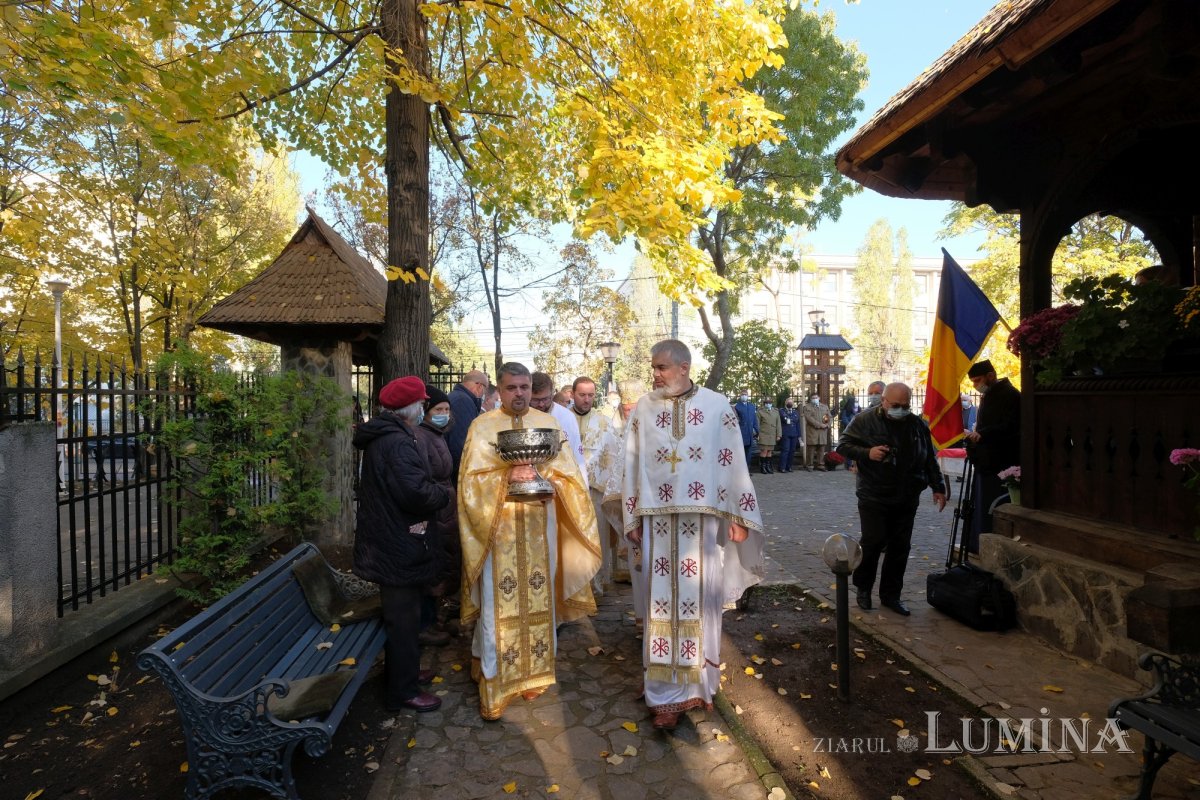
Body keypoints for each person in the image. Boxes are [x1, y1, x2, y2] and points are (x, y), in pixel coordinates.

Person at [621, 340, 764, 730]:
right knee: (659, 603)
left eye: (663, 367)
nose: (656, 374)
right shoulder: (644, 409)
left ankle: (698, 684)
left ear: (684, 367)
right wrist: (632, 515)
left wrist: (738, 514)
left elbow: (733, 461)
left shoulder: (718, 406)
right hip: (657, 522)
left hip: (701, 525)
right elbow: (630, 461)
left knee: (700, 600)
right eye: (654, 367)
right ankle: (661, 691)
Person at [458, 363, 601, 721]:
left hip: (540, 522)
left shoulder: (549, 423)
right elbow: (469, 484)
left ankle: (533, 673)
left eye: (524, 387)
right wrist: (507, 474)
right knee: (498, 606)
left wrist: (542, 475)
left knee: (539, 601)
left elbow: (570, 475)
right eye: (511, 388)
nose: (519, 394)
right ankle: (495, 684)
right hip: (499, 526)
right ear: (499, 389)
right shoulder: (482, 426)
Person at [353, 376, 453, 712]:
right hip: (394, 544)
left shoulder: (390, 435)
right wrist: (444, 493)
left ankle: (405, 674)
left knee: (405, 616)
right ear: (411, 408)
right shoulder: (396, 442)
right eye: (423, 404)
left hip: (391, 538)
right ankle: (403, 690)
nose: (426, 409)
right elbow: (415, 492)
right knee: (403, 619)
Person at [836, 382, 947, 617]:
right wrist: (868, 453)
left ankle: (891, 595)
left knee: (900, 547)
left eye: (905, 405)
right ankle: (863, 589)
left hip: (907, 494)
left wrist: (938, 487)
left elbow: (928, 458)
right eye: (896, 405)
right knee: (873, 541)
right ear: (884, 401)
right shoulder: (865, 420)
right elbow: (843, 446)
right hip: (874, 493)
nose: (901, 409)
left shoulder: (917, 424)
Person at [412, 386, 459, 644]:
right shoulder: (421, 436)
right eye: (438, 410)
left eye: (446, 410)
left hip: (445, 507)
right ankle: (426, 624)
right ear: (426, 412)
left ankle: (436, 619)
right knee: (432, 567)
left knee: (443, 563)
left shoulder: (437, 434)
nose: (443, 414)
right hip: (436, 509)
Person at [962, 360, 1021, 553]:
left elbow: (1011, 426)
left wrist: (984, 433)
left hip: (1001, 461)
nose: (975, 386)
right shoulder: (990, 396)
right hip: (985, 461)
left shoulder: (1010, 396)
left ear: (990, 375)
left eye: (977, 380)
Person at [571, 376, 617, 591]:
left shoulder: (604, 423)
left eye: (590, 395)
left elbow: (612, 457)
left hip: (595, 491)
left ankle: (595, 585)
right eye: (582, 395)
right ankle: (573, 585)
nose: (587, 399)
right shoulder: (561, 419)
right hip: (568, 490)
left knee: (597, 536)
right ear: (573, 394)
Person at [531, 372, 585, 470]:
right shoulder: (523, 416)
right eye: (535, 400)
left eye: (545, 399)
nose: (541, 404)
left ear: (552, 394)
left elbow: (577, 454)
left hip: (563, 477)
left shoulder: (567, 417)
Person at [446, 370, 488, 475]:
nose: (484, 394)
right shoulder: (463, 401)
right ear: (479, 386)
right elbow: (462, 442)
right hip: (458, 471)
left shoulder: (458, 396)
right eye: (485, 390)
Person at [802, 394, 832, 471]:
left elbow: (829, 417)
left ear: (819, 398)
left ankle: (820, 465)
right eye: (813, 398)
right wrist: (820, 425)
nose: (815, 399)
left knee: (821, 449)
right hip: (812, 431)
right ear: (811, 399)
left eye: (816, 397)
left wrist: (827, 424)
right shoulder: (807, 407)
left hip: (822, 432)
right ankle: (810, 465)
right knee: (811, 449)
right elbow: (809, 418)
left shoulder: (824, 407)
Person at [755, 399, 781, 475]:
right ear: (764, 404)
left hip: (772, 434)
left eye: (770, 403)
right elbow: (757, 424)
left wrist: (779, 434)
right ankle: (763, 467)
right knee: (764, 451)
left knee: (770, 451)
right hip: (764, 434)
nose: (768, 404)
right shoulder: (760, 412)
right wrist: (758, 434)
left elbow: (778, 424)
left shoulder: (776, 412)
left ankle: (768, 466)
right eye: (767, 403)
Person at [733, 390, 758, 469]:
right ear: (740, 396)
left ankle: (747, 470)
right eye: (743, 394)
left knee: (749, 453)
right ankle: (741, 471)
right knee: (741, 453)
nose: (744, 396)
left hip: (750, 433)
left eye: (746, 395)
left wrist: (756, 430)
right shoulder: (737, 406)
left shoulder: (751, 406)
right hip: (741, 433)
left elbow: (754, 419)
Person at [777, 398, 802, 473]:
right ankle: (782, 467)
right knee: (785, 450)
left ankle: (789, 466)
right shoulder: (781, 411)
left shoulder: (796, 412)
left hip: (794, 434)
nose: (790, 403)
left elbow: (797, 424)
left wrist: (799, 436)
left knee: (792, 451)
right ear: (785, 403)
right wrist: (791, 419)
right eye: (788, 402)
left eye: (791, 402)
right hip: (785, 434)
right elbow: (785, 419)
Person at [837, 392, 861, 471]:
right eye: (855, 402)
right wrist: (851, 425)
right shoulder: (846, 410)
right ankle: (848, 464)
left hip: (857, 431)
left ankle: (855, 464)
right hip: (849, 431)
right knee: (849, 447)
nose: (856, 403)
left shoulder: (858, 409)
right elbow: (844, 419)